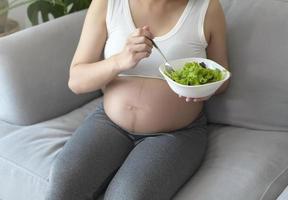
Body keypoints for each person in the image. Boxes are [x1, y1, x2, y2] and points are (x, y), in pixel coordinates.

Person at [45, 0, 229, 199]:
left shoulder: (207, 8)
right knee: (64, 184)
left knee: (128, 196)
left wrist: (204, 88)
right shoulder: (107, 4)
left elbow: (221, 79)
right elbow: (77, 81)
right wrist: (120, 60)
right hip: (109, 123)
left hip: (176, 134)